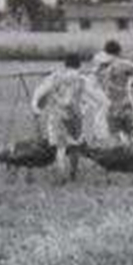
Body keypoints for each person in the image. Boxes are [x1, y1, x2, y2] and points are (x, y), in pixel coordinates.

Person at [31, 53, 105, 181]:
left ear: (65, 64)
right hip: (74, 118)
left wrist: (35, 107)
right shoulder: (81, 79)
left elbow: (40, 92)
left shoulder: (54, 77)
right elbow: (98, 97)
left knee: (61, 148)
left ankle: (61, 175)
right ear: (78, 65)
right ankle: (73, 174)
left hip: (57, 117)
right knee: (75, 147)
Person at [90, 40, 133, 146]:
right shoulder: (123, 64)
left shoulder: (98, 67)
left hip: (108, 106)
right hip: (124, 104)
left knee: (114, 135)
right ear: (119, 51)